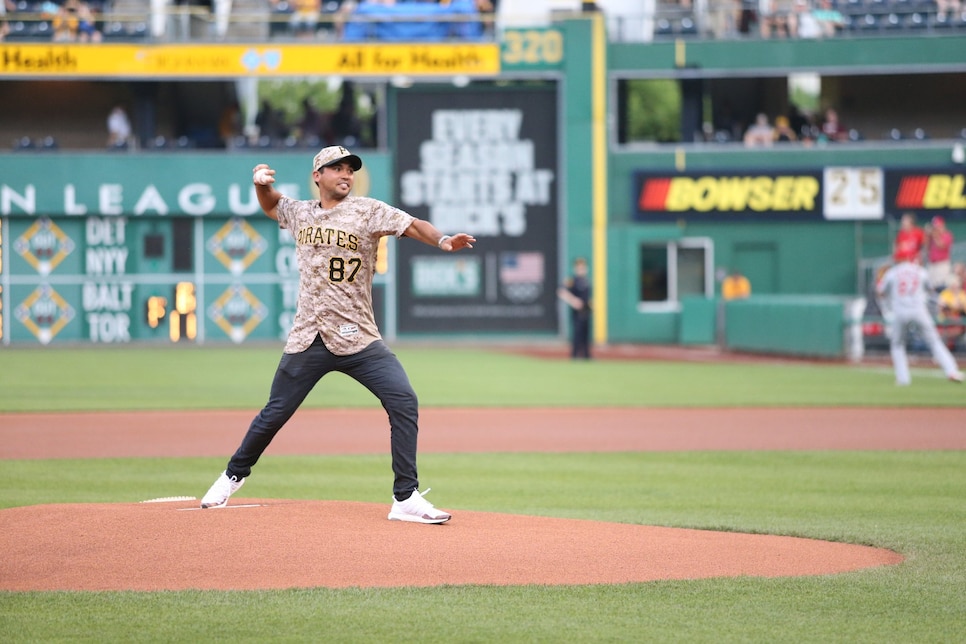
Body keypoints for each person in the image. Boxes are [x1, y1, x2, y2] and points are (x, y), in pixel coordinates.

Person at [199, 145, 477, 523]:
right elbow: (271, 204)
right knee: (274, 413)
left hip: (360, 337)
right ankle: (231, 477)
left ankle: (406, 497)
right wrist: (259, 184)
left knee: (403, 400)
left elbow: (412, 226)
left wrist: (442, 240)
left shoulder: (368, 210)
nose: (345, 174)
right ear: (318, 175)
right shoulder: (301, 212)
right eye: (336, 168)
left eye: (350, 169)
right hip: (309, 336)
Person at [875, 255, 963, 385]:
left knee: (898, 344)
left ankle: (903, 379)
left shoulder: (892, 272)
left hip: (900, 311)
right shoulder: (920, 270)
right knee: (934, 341)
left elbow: (880, 292)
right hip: (919, 310)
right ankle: (951, 371)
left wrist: (891, 293)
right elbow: (930, 290)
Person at [557, 257, 592, 360]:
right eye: (579, 267)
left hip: (587, 311)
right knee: (577, 334)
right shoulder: (572, 280)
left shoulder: (587, 281)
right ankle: (575, 356)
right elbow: (561, 291)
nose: (581, 269)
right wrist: (573, 301)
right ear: (575, 268)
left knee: (586, 335)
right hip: (577, 313)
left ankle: (586, 356)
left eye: (583, 267)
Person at [937, 274, 966, 351]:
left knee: (957, 329)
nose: (954, 287)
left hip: (957, 324)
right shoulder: (945, 293)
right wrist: (952, 307)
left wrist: (954, 307)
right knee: (940, 332)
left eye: (956, 285)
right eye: (953, 285)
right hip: (945, 322)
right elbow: (941, 307)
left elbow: (962, 308)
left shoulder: (962, 294)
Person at [925, 215, 954, 291]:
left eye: (937, 226)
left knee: (942, 286)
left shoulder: (947, 235)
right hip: (932, 264)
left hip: (942, 264)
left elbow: (941, 245)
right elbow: (926, 247)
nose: (935, 228)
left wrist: (934, 234)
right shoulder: (932, 236)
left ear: (942, 225)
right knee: (931, 287)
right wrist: (927, 235)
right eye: (934, 226)